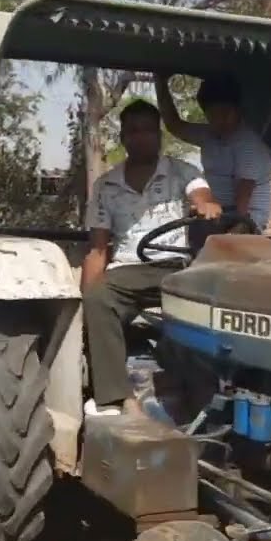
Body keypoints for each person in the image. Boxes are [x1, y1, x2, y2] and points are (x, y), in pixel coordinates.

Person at [82, 99, 223, 417]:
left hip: (175, 268)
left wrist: (206, 205)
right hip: (128, 270)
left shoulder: (181, 172)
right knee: (98, 297)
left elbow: (201, 194)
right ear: (123, 138)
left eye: (148, 130)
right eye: (133, 131)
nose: (141, 137)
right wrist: (84, 305)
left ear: (159, 136)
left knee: (219, 297)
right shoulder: (106, 185)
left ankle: (211, 393)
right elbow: (98, 250)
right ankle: (116, 397)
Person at [154, 72, 271, 231]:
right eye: (213, 114)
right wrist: (160, 83)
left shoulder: (248, 143)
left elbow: (244, 190)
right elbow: (174, 125)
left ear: (238, 111)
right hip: (217, 214)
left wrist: (239, 227)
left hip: (246, 217)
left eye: (225, 113)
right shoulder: (209, 135)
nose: (220, 120)